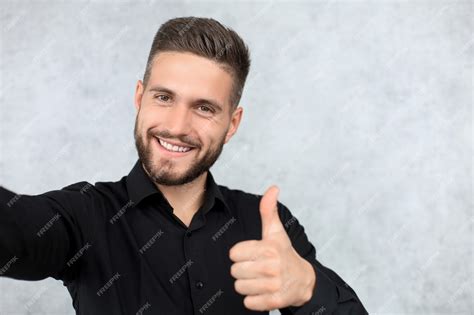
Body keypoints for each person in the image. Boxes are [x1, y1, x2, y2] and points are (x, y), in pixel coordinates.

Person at [0, 16, 368, 315]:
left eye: (204, 108)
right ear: (140, 97)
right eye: (164, 97)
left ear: (232, 124)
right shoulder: (86, 214)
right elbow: (15, 230)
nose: (177, 126)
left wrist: (307, 286)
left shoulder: (266, 224)